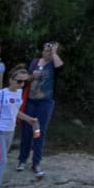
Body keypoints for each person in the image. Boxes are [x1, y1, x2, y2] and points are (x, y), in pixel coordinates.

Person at [16, 41, 63, 177]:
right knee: (26, 130)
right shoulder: (35, 62)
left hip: (45, 102)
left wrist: (54, 52)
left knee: (39, 131)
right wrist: (31, 77)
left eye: (49, 51)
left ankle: (36, 162)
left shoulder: (54, 64)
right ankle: (22, 160)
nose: (46, 52)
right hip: (31, 100)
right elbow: (25, 78)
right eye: (45, 50)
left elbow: (60, 68)